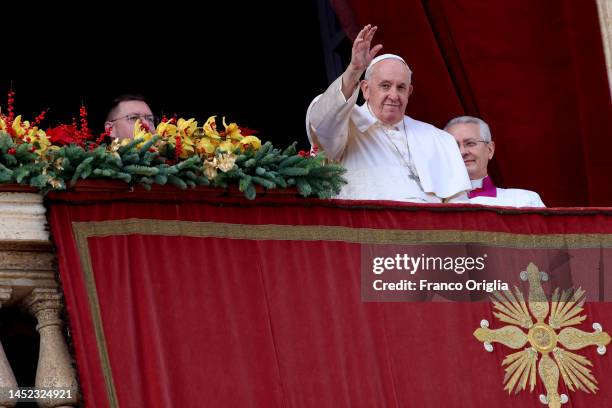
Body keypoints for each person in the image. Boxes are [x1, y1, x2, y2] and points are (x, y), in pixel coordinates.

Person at [306, 24, 471, 202]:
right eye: (385, 86)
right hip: (368, 228)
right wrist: (354, 70)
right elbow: (321, 122)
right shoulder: (344, 124)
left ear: (409, 92)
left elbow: (459, 208)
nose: (394, 95)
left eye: (401, 88)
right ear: (366, 89)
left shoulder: (439, 138)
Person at [444, 116, 545, 207]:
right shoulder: (432, 204)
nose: (462, 152)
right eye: (454, 145)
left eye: (470, 143)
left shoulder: (525, 200)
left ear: (490, 150)